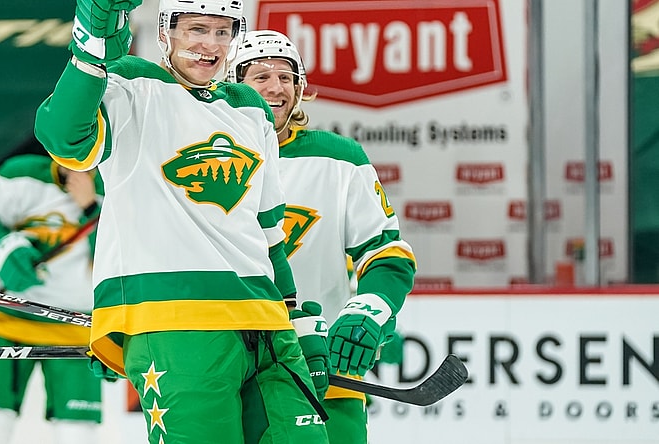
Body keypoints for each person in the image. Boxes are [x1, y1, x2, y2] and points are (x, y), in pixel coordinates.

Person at [34, 0, 329, 442]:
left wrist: (296, 320)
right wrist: (90, 52)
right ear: (166, 31)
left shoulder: (250, 106)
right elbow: (63, 137)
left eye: (222, 31)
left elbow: (269, 232)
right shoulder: (131, 82)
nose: (209, 44)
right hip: (175, 321)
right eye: (196, 29)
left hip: (266, 321)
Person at [229, 30, 417, 444]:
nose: (276, 87)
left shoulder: (339, 158)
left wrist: (370, 307)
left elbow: (386, 252)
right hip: (227, 363)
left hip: (321, 365)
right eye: (260, 76)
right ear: (230, 81)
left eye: (286, 76)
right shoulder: (202, 155)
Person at [0, 151, 104, 444]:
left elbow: (119, 260)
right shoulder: (21, 172)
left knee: (78, 433)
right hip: (8, 318)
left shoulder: (119, 183)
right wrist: (4, 251)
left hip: (76, 326)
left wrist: (90, 207)